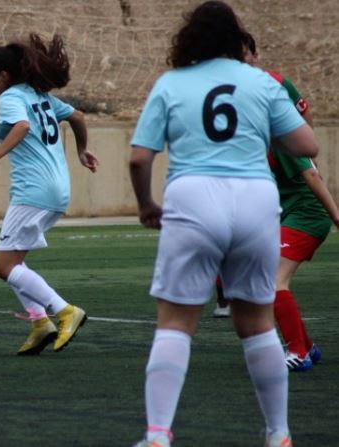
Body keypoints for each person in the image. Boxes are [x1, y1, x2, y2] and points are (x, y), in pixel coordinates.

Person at [128, 2, 318, 446]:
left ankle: (157, 435)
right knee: (257, 323)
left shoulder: (171, 83)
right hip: (256, 199)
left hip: (193, 197)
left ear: (188, 40)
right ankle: (279, 434)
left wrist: (145, 204)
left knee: (175, 321)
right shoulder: (261, 81)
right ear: (237, 40)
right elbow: (307, 143)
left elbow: (139, 156)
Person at [0, 33, 99, 355]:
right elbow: (78, 116)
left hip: (33, 191)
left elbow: (22, 127)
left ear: (3, 76)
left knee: (4, 267)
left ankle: (65, 311)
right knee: (16, 263)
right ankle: (39, 322)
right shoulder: (38, 95)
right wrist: (83, 151)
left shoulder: (12, 98)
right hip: (58, 190)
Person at [241, 33, 339, 371]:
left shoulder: (282, 135)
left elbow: (312, 176)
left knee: (272, 281)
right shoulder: (255, 135)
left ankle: (297, 351)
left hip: (307, 215)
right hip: (287, 213)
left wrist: (337, 218)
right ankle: (307, 347)